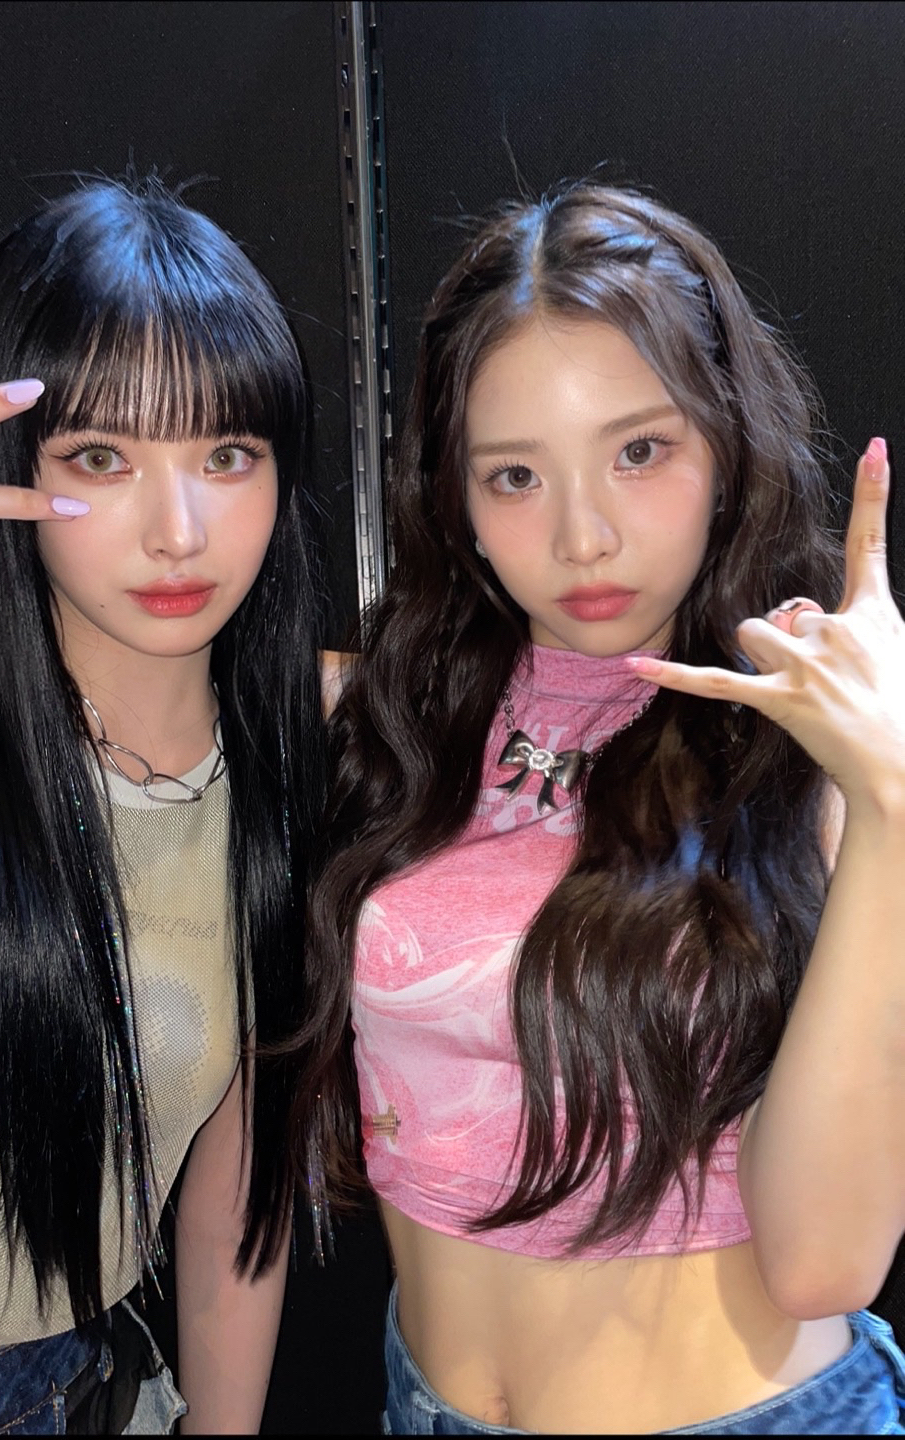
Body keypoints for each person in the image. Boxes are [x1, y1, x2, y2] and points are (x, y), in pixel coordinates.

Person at [299, 183, 905, 1434]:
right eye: (514, 476)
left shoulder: (816, 739)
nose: (582, 537)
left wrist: (885, 795)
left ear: (725, 441)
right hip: (422, 1403)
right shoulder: (389, 721)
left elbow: (823, 1266)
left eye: (638, 452)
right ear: (455, 500)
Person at [0, 177, 325, 1433]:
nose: (178, 529)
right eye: (100, 458)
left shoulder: (294, 769)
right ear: (9, 469)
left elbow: (238, 1187)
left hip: (100, 1394)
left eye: (226, 455)